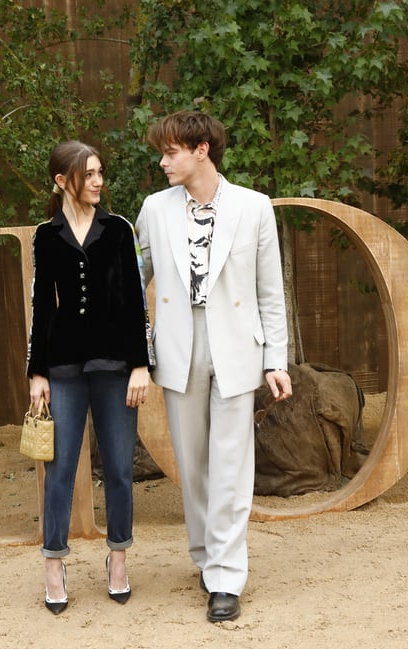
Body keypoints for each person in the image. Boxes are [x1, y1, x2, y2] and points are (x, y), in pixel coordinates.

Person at [134, 111, 292, 622]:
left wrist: (276, 360)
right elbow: (132, 285)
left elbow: (271, 291)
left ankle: (226, 575)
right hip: (178, 346)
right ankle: (205, 555)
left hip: (237, 346)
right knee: (194, 463)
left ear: (201, 149)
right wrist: (139, 351)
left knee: (231, 462)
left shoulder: (253, 207)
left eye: (171, 152)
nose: (162, 162)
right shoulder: (154, 210)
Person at [27, 140, 153, 615]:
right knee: (59, 470)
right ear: (63, 181)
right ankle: (53, 564)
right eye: (90, 174)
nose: (99, 181)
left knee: (120, 467)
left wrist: (141, 364)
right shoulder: (45, 235)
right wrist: (36, 372)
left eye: (102, 172)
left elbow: (135, 302)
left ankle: (118, 558)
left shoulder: (119, 230)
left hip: (117, 366)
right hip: (62, 366)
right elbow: (42, 306)